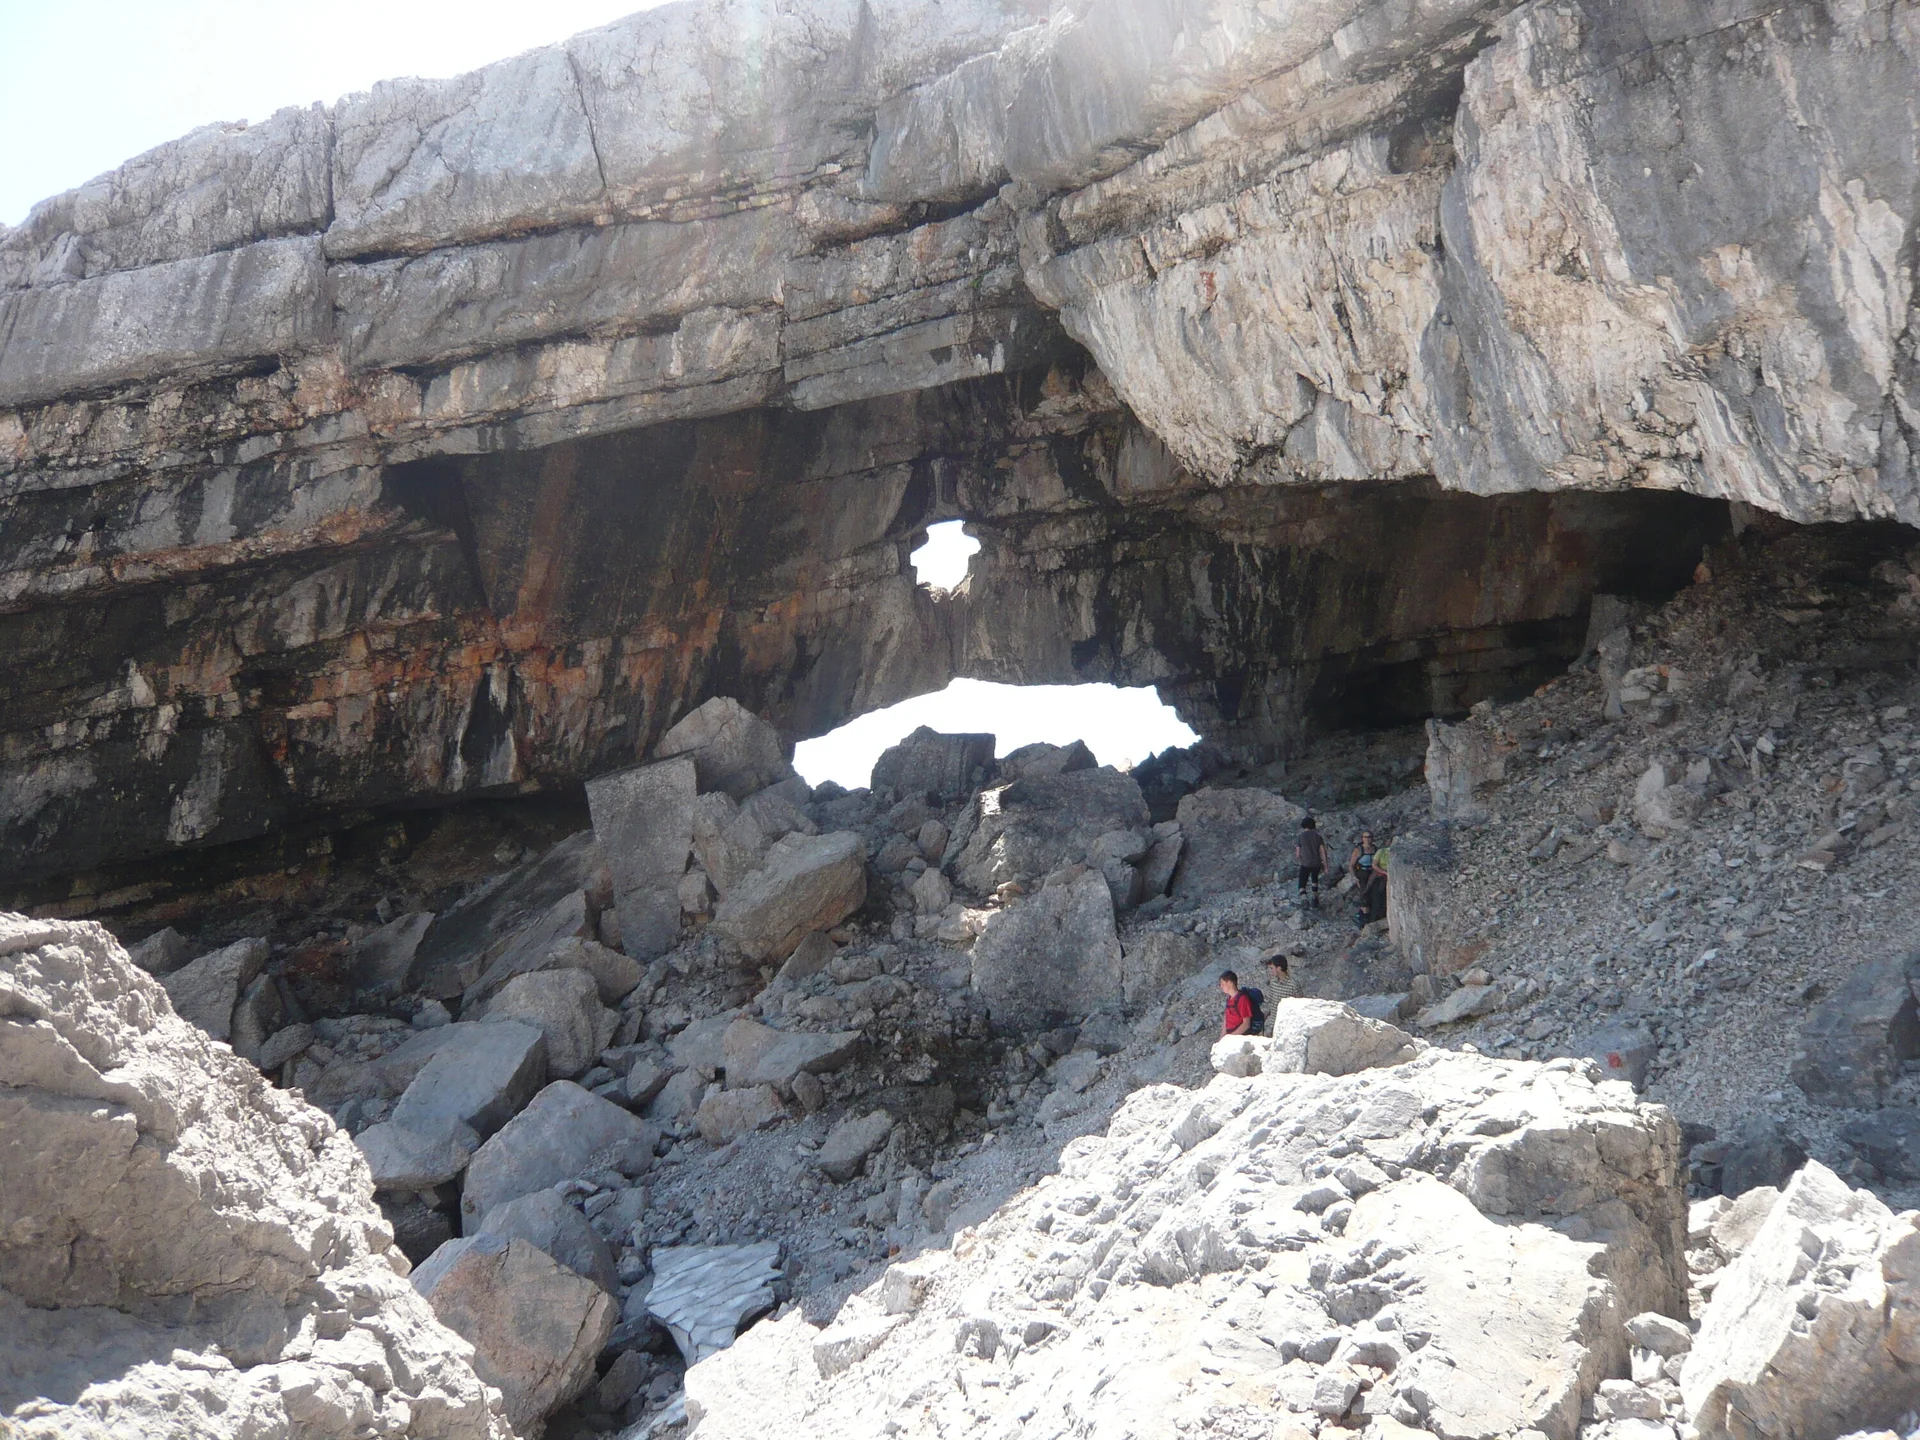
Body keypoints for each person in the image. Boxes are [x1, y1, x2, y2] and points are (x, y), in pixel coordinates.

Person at [1293, 816, 1328, 907]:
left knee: (1302, 881)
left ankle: (1304, 899)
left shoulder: (1300, 837)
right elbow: (1323, 851)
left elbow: (1298, 853)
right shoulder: (1318, 837)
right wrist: (1325, 864)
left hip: (1305, 862)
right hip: (1316, 862)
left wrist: (1301, 861)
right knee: (1314, 878)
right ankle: (1315, 897)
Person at [1219, 970, 1255, 1036]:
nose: (1221, 986)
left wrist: (1230, 1039)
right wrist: (1221, 1039)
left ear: (1230, 983)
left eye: (1223, 984)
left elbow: (1246, 1024)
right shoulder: (1230, 999)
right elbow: (1226, 1021)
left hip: (1239, 1037)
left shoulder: (1242, 999)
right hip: (1231, 1036)